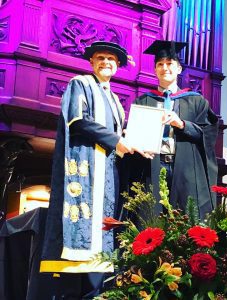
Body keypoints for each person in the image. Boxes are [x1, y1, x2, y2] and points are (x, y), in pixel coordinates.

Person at [40, 41, 148, 298]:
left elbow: (120, 136)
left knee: (101, 245)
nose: (106, 62)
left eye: (111, 59)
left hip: (107, 176)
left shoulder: (115, 101)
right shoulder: (81, 84)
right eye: (100, 58)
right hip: (86, 173)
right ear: (92, 62)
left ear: (118, 65)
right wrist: (117, 140)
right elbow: (79, 120)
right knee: (79, 248)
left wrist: (137, 144)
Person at [124, 40, 219, 219]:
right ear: (155, 70)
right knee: (150, 218)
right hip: (152, 166)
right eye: (160, 64)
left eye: (169, 63)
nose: (165, 68)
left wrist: (182, 124)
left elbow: (208, 133)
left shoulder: (196, 101)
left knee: (184, 218)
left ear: (179, 69)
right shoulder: (143, 101)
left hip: (184, 168)